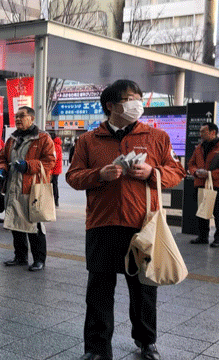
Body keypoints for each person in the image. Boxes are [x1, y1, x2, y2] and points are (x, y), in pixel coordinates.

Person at [66, 80, 185, 360]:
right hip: (102, 223)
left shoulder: (157, 137)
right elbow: (72, 176)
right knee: (99, 289)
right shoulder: (88, 140)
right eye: (131, 98)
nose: (137, 104)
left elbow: (176, 171)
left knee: (144, 289)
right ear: (111, 105)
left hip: (142, 224)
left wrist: (153, 172)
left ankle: (146, 341)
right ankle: (96, 349)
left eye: (138, 98)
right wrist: (98, 175)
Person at [0, 106, 55, 272]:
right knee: (15, 223)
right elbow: (3, 158)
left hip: (32, 189)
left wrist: (29, 165)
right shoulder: (12, 139)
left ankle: (39, 259)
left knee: (34, 225)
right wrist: (2, 169)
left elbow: (50, 161)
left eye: (21, 116)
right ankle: (20, 257)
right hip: (13, 187)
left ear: (32, 118)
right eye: (16, 116)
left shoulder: (43, 138)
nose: (17, 119)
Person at [187, 122, 219, 248]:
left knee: (218, 211)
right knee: (202, 210)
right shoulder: (199, 148)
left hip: (217, 185)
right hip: (200, 183)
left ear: (212, 132)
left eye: (203, 131)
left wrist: (211, 174)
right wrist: (195, 172)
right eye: (200, 131)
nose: (200, 134)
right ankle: (203, 237)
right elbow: (191, 163)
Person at [51, 133, 63, 207]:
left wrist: (51, 170)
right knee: (54, 184)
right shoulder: (58, 145)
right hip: (57, 169)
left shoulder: (55, 146)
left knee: (54, 185)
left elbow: (54, 159)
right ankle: (55, 200)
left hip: (54, 169)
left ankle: (55, 200)